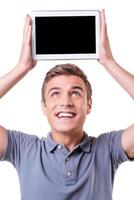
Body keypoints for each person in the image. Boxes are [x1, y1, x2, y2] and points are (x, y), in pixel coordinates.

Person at [0, 9, 134, 200]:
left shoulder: (108, 148)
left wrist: (108, 62)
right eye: (55, 93)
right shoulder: (23, 148)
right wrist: (21, 68)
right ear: (44, 107)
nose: (66, 102)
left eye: (75, 93)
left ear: (89, 105)